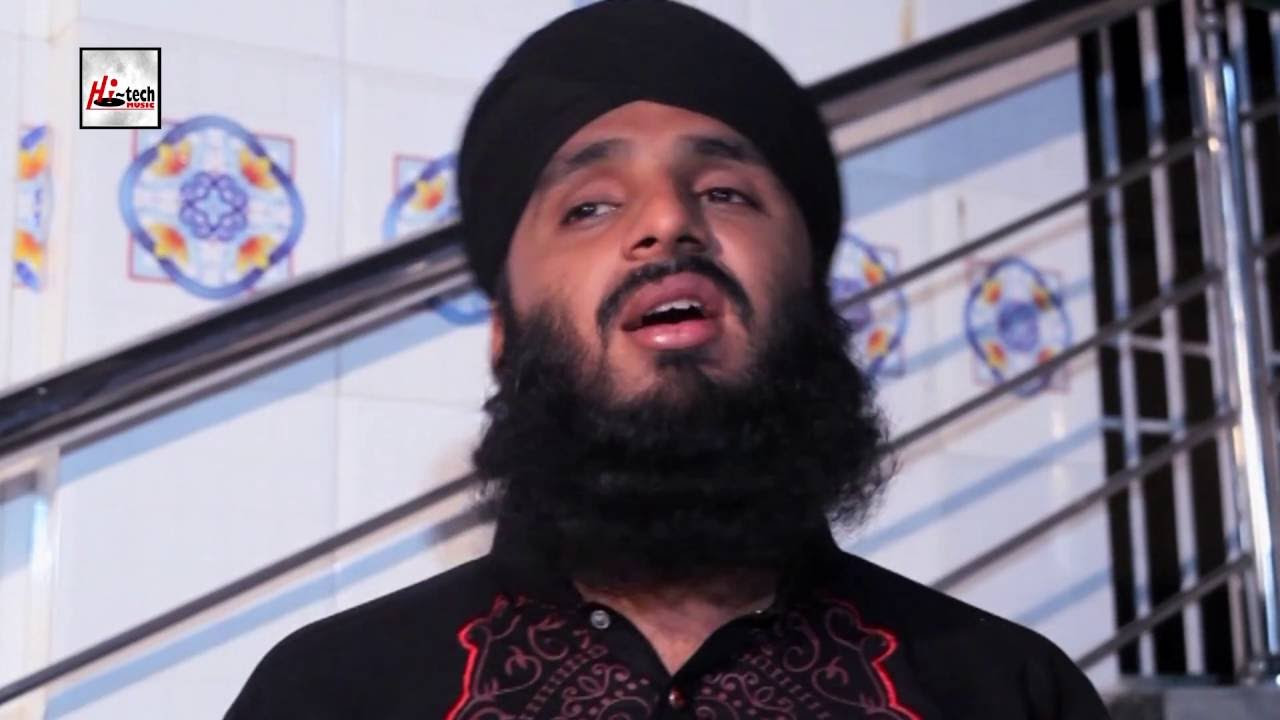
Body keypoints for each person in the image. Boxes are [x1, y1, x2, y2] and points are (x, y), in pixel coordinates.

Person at [225, 1, 1111, 718]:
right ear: (504, 331)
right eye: (589, 206)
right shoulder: (329, 692)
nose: (669, 221)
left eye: (725, 192)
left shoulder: (1010, 691)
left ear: (814, 298)